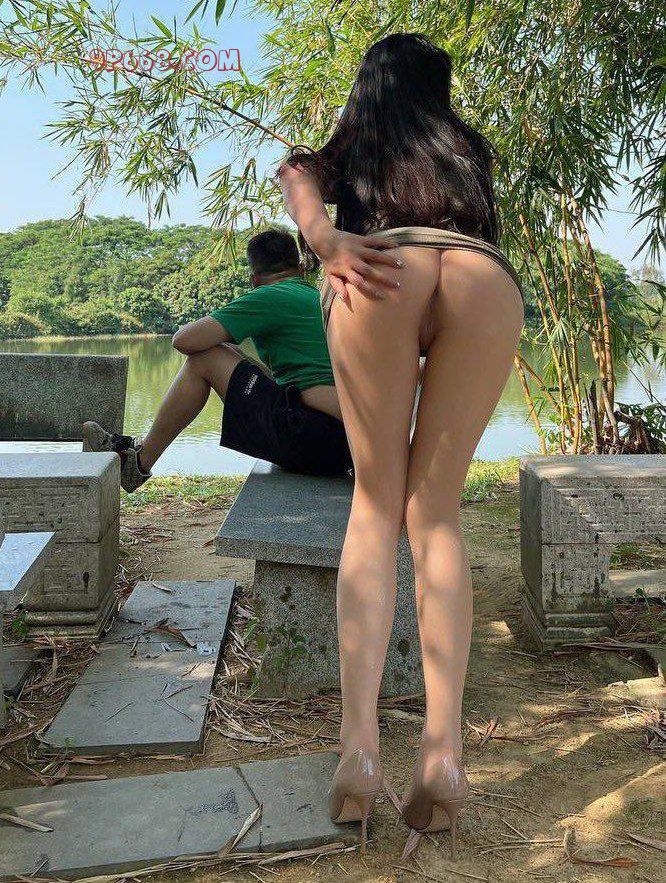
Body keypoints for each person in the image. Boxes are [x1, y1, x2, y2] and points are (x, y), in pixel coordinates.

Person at [278, 33, 524, 855]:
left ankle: (359, 747)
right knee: (437, 513)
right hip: (482, 275)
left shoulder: (353, 144)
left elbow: (295, 172)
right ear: (436, 91)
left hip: (378, 271)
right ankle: (444, 754)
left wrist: (325, 240)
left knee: (374, 506)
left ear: (369, 88)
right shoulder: (465, 150)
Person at [83, 229, 352, 489]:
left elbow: (183, 340)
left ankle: (139, 462)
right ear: (301, 269)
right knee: (228, 352)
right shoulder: (316, 297)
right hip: (341, 441)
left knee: (205, 358)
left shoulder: (268, 296)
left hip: (310, 438)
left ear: (254, 279)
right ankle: (137, 453)